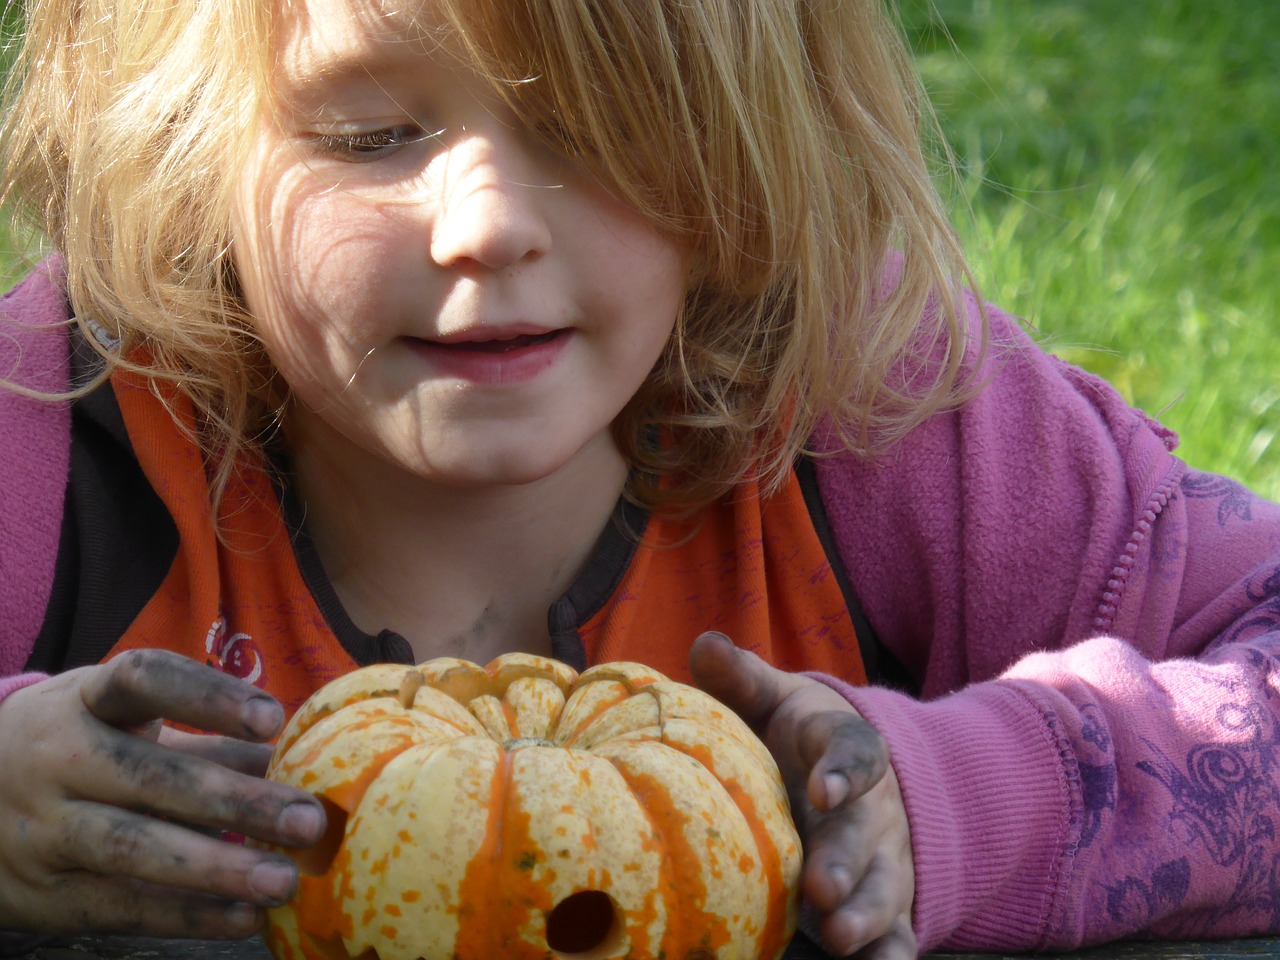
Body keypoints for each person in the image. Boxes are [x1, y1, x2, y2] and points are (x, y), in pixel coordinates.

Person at [0, 0, 1277, 956]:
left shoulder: (864, 396)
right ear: (182, 148)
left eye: (600, 130)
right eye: (370, 135)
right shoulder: (54, 423)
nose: (487, 222)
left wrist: (966, 805)